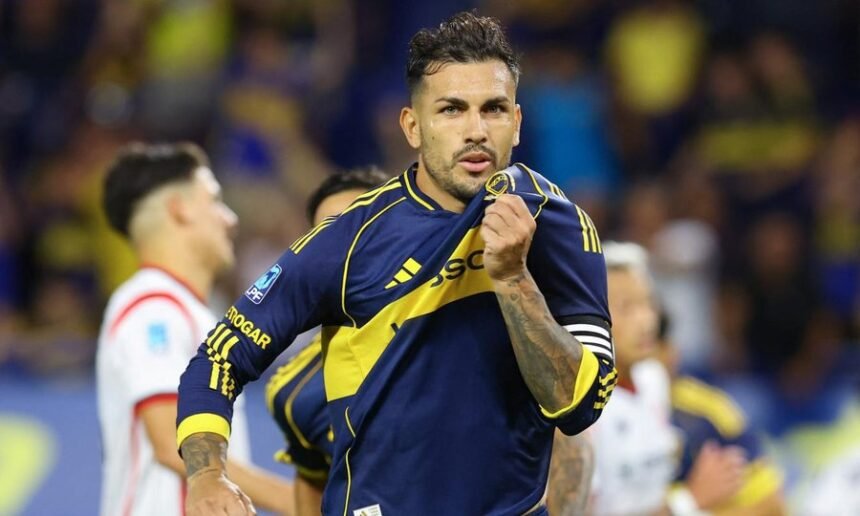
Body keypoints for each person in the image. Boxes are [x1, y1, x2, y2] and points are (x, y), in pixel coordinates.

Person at [177, 12, 616, 515]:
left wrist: (514, 279)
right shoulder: (348, 240)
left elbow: (580, 406)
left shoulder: (555, 224)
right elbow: (217, 360)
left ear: (516, 123)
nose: (475, 130)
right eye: (451, 110)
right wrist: (208, 474)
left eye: (493, 109)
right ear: (412, 126)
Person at [96, 143, 293, 516]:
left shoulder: (187, 311)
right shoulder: (154, 308)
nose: (230, 218)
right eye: (215, 200)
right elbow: (174, 442)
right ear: (180, 208)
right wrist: (300, 504)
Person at [586, 241, 747, 515]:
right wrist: (690, 500)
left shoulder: (653, 379)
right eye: (627, 308)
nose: (648, 321)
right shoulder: (574, 407)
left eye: (649, 303)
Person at [265, 167, 391, 516]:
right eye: (327, 238)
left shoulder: (478, 327)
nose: (344, 251)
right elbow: (312, 486)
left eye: (361, 228)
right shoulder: (295, 393)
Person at [656, 310, 786, 515]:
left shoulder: (708, 411)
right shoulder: (594, 416)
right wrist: (689, 500)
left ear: (670, 351)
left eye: (657, 340)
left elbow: (772, 504)